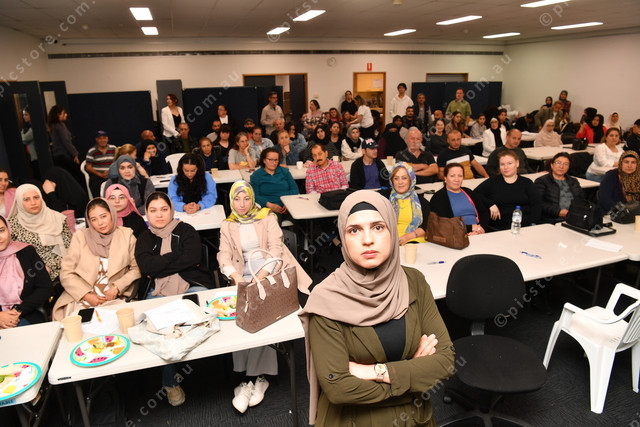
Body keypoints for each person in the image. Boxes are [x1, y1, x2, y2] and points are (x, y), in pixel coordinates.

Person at [299, 190, 454, 426]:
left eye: (378, 227)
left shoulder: (414, 282)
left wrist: (375, 372)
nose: (367, 240)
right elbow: (338, 388)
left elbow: (445, 361)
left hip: (415, 418)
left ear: (392, 231)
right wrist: (411, 375)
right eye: (354, 230)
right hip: (353, 420)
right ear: (343, 237)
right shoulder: (326, 298)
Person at [217, 181, 312, 413]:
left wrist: (260, 276)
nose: (241, 204)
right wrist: (236, 277)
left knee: (262, 316)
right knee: (240, 317)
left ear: (252, 199)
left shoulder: (267, 217)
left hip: (270, 271)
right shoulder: (227, 224)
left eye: (246, 198)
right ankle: (247, 378)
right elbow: (223, 255)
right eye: (237, 199)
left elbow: (275, 249)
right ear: (231, 201)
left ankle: (256, 378)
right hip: (242, 276)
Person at [135, 192, 214, 406]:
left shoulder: (186, 230)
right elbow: (147, 267)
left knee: (193, 318)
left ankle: (205, 369)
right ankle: (170, 383)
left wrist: (160, 264)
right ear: (146, 213)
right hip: (158, 291)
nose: (159, 215)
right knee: (164, 329)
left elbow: (193, 258)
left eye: (164, 209)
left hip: (191, 284)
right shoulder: (144, 238)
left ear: (171, 210)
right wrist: (176, 258)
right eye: (153, 210)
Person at [52, 198, 141, 321]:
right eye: (94, 219)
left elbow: (136, 269)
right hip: (82, 297)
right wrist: (85, 295)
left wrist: (117, 286)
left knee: (118, 324)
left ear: (111, 214)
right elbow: (66, 273)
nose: (100, 223)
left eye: (103, 216)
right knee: (80, 327)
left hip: (115, 297)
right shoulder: (80, 237)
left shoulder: (126, 235)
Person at [8, 184, 73, 280]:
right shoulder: (12, 226)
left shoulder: (57, 218)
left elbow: (70, 247)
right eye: (27, 199)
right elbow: (12, 257)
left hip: (66, 270)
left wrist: (53, 266)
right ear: (19, 202)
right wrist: (39, 270)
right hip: (33, 275)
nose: (33, 203)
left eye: (36, 197)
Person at [0, 214, 52, 328]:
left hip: (26, 313)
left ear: (8, 229)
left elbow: (45, 287)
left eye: (1, 230)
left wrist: (18, 311)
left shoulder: (27, 252)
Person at [475, 149, 541, 230]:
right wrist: (490, 204)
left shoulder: (527, 183)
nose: (506, 167)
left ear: (517, 163)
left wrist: (533, 225)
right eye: (502, 164)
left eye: (509, 163)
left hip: (524, 227)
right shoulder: (492, 182)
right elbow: (475, 194)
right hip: (498, 228)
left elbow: (536, 205)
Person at [431, 163, 492, 235]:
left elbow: (483, 212)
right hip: (455, 236)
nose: (457, 179)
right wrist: (470, 228)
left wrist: (480, 229)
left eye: (460, 176)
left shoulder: (468, 192)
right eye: (452, 176)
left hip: (478, 232)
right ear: (445, 178)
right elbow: (444, 224)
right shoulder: (439, 197)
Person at [379, 162, 430, 244]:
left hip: (415, 241)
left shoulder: (422, 202)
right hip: (390, 242)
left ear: (411, 180)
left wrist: (407, 237)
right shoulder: (384, 200)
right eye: (396, 178)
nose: (400, 182)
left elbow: (427, 226)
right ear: (392, 181)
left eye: (404, 178)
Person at [534, 153, 584, 224]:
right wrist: (558, 212)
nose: (561, 166)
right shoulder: (542, 181)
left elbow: (581, 200)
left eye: (566, 164)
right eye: (558, 163)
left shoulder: (573, 181)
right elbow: (539, 203)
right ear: (552, 165)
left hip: (573, 219)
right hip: (551, 220)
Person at [250, 148, 298, 220]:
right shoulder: (256, 175)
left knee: (303, 218)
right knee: (274, 220)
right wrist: (269, 205)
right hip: (269, 207)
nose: (274, 163)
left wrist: (288, 203)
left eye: (276, 160)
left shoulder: (284, 171)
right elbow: (255, 195)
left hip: (288, 205)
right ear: (264, 160)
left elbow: (294, 189)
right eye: (270, 160)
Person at [47, 105, 82, 186]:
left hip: (57, 157)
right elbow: (66, 141)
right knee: (75, 177)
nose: (66, 115)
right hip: (64, 156)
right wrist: (75, 154)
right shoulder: (60, 126)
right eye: (64, 113)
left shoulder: (52, 126)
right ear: (58, 115)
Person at [85, 130, 117, 197]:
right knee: (95, 184)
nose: (102, 140)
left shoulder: (113, 148)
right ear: (96, 140)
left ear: (107, 139)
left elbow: (117, 162)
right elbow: (88, 167)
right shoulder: (92, 151)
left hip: (112, 174)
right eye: (100, 138)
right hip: (98, 176)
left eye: (104, 138)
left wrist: (111, 171)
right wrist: (100, 174)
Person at [21, 106, 38, 173]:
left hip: (36, 156)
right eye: (23, 115)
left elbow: (24, 139)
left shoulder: (33, 127)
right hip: (31, 156)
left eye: (26, 115)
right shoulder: (27, 127)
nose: (24, 117)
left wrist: (22, 132)